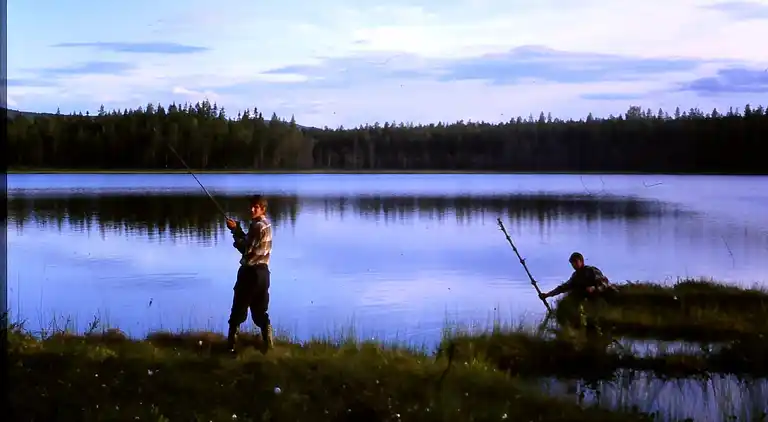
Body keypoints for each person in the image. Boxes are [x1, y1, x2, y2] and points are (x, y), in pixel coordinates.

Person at [225, 194, 274, 353]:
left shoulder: (257, 226)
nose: (252, 209)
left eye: (256, 207)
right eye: (252, 206)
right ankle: (268, 346)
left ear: (263, 209)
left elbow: (245, 249)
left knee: (238, 310)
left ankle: (231, 347)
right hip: (263, 274)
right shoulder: (266, 224)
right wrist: (237, 230)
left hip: (250, 274)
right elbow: (249, 242)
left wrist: (235, 233)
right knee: (260, 311)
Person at [539, 252, 616, 301]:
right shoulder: (575, 276)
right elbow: (563, 287)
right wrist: (547, 295)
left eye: (575, 262)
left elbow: (605, 284)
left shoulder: (592, 271)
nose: (574, 265)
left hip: (604, 297)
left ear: (582, 262)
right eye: (572, 263)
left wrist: (594, 288)